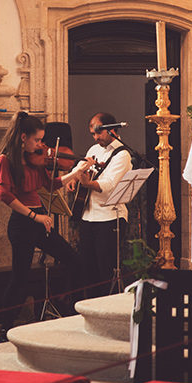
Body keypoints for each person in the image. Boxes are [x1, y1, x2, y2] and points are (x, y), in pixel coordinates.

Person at [0, 111, 94, 343]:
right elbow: (5, 195)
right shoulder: (5, 160)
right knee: (19, 278)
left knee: (74, 261)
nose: (42, 146)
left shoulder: (35, 160)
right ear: (23, 137)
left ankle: (73, 317)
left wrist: (77, 172)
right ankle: (4, 331)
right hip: (22, 223)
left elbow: (51, 184)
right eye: (37, 140)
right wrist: (35, 217)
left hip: (39, 221)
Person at [74, 112, 133, 298]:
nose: (96, 137)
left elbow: (109, 186)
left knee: (104, 270)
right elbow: (79, 168)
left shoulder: (122, 154)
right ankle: (89, 310)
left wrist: (87, 183)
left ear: (113, 130)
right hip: (87, 216)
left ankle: (105, 312)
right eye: (93, 134)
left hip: (109, 218)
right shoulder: (94, 149)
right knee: (87, 269)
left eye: (99, 133)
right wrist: (73, 179)